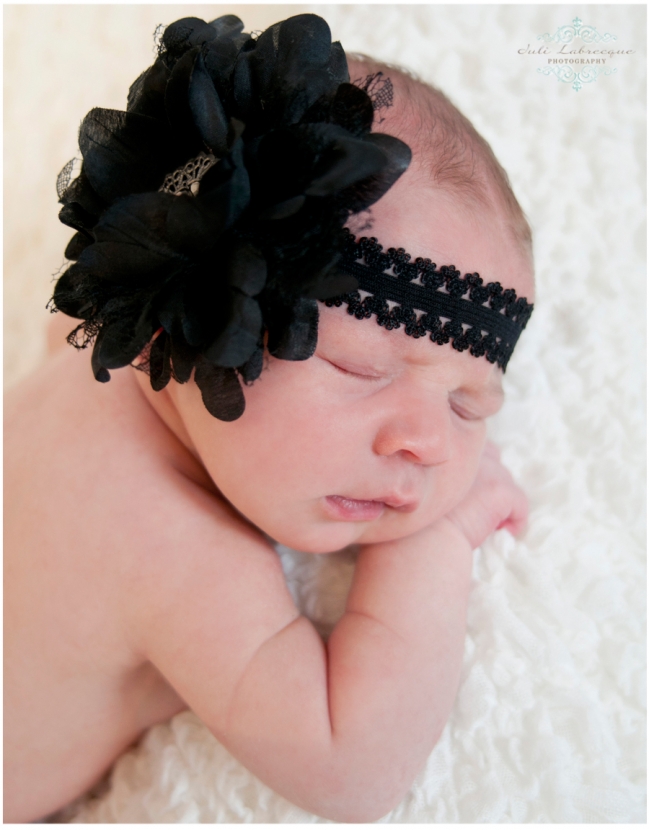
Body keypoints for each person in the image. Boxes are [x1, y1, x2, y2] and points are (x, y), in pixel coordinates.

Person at [4, 13, 534, 823]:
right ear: (182, 318)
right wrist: (436, 541)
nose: (426, 443)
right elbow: (351, 772)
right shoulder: (165, 544)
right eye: (358, 367)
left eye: (469, 406)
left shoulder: (87, 359)